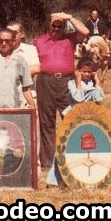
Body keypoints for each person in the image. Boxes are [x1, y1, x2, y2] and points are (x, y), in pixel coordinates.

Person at [34, 12, 88, 168]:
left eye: (60, 25)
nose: (57, 28)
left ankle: (74, 157)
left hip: (66, 82)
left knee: (70, 118)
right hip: (46, 82)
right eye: (54, 25)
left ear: (64, 27)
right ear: (49, 25)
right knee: (47, 122)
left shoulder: (70, 38)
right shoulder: (39, 41)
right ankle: (47, 162)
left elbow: (85, 32)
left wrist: (68, 17)